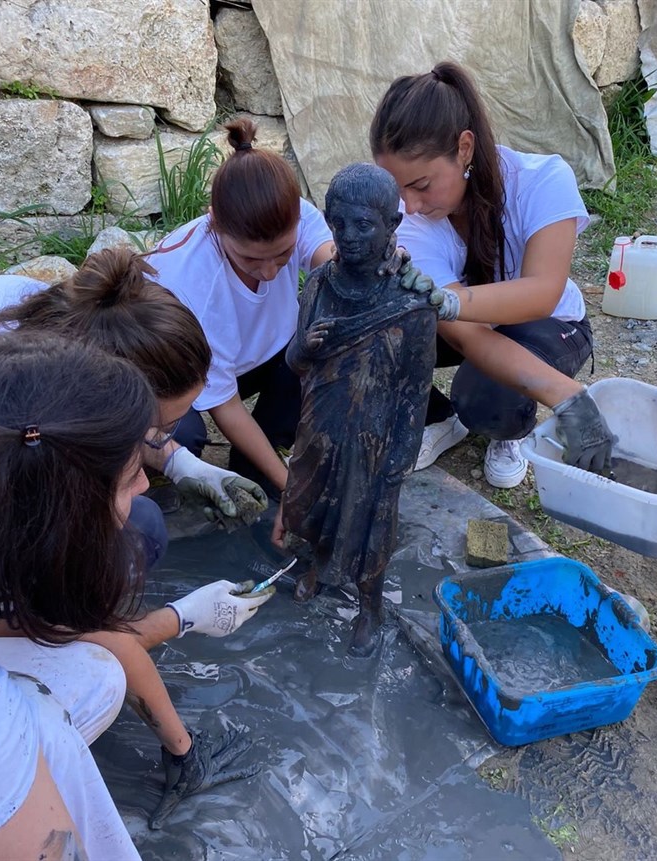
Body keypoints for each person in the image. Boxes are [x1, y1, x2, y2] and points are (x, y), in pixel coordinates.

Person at [369, 61, 613, 485]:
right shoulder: (409, 219)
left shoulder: (542, 180)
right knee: (367, 327)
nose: (408, 204)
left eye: (422, 185)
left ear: (464, 148)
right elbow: (463, 331)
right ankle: (441, 418)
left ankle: (509, 430)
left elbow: (542, 293)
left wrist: (567, 397)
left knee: (487, 397)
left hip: (547, 323)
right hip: (469, 325)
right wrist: (447, 306)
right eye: (397, 188)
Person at [0, 332, 155, 858]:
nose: (143, 488)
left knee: (89, 680)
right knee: (35, 721)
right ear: (62, 523)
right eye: (130, 476)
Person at [0, 248, 269, 552]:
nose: (144, 485)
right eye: (153, 424)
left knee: (143, 522)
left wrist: (183, 465)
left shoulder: (80, 316)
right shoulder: (3, 405)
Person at [278, 163, 438, 657]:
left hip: (376, 435)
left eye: (364, 225)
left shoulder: (412, 301)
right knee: (311, 506)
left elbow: (416, 387)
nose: (348, 237)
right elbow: (295, 361)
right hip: (321, 425)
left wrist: (401, 457)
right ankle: (317, 569)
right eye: (338, 223)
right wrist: (306, 346)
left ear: (392, 225)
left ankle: (370, 606)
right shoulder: (321, 285)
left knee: (370, 521)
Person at [146, 117, 335, 503]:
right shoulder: (192, 285)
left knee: (322, 349)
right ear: (215, 224)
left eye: (282, 255)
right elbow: (225, 405)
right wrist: (291, 489)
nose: (269, 272)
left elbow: (331, 261)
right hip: (174, 372)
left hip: (256, 354)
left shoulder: (293, 214)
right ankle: (168, 480)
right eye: (251, 260)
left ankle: (258, 458)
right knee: (182, 435)